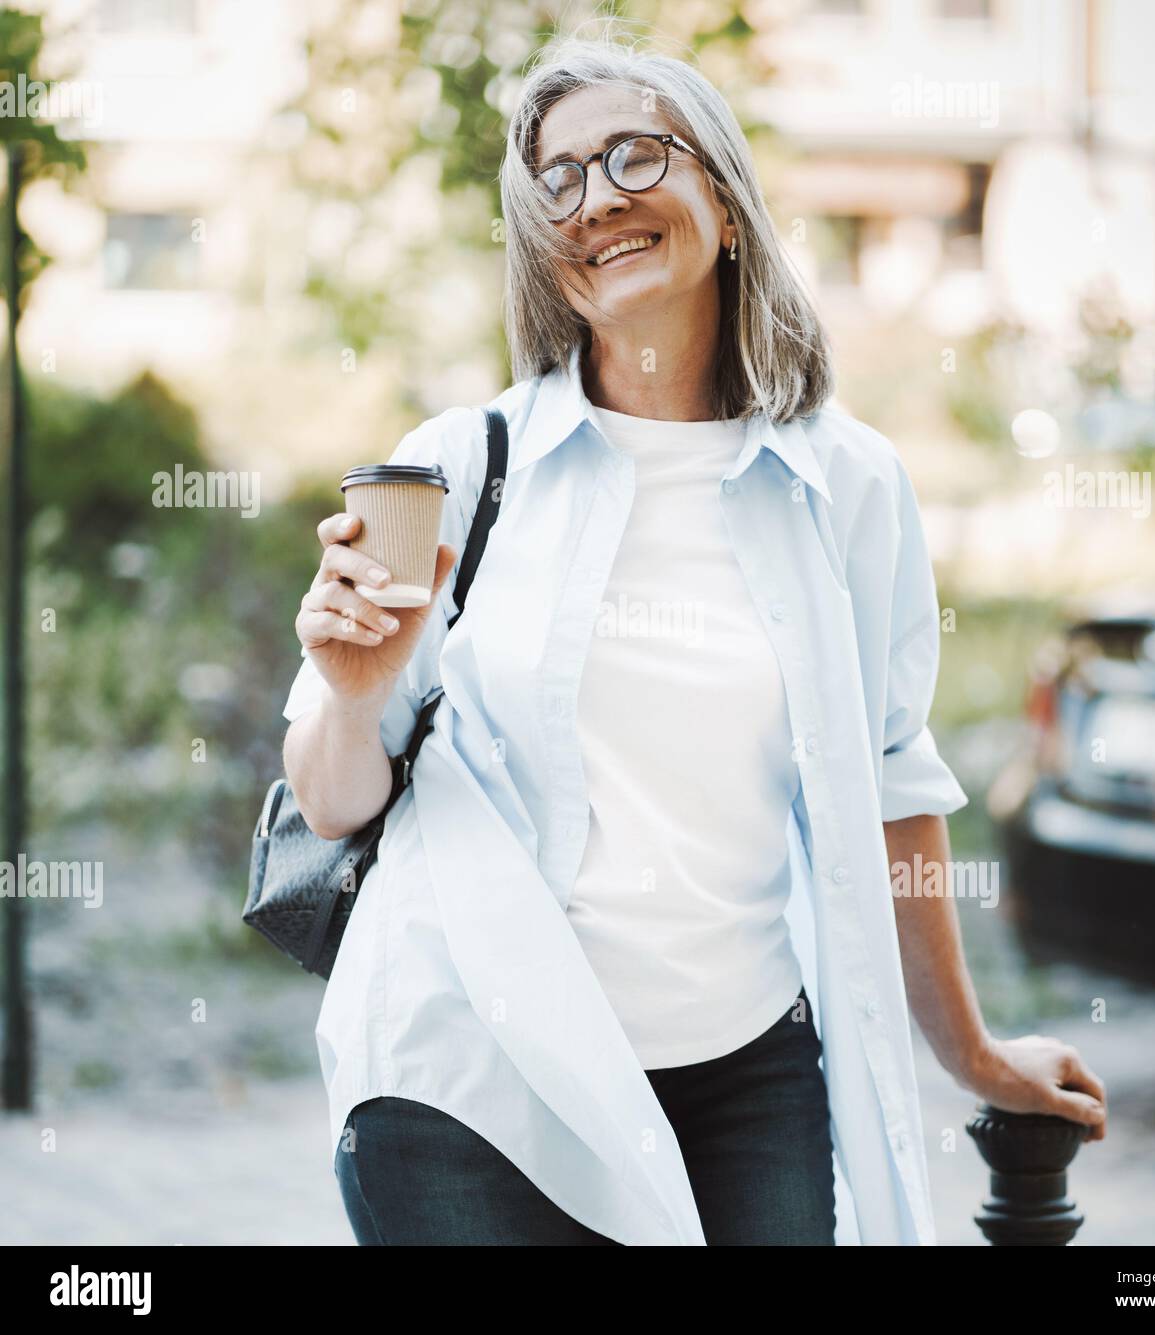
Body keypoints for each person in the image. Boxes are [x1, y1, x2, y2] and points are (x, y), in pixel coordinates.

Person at [281, 32, 1107, 1246]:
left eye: (631, 154)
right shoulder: (464, 466)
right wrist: (352, 694)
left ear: (721, 200)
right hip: (469, 1064)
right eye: (557, 178)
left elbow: (892, 790)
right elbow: (334, 801)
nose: (596, 197)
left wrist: (972, 1056)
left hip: (738, 1070)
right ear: (546, 254)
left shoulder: (848, 485)